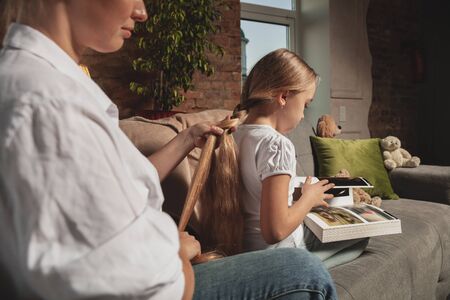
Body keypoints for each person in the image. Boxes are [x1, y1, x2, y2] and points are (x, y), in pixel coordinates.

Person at [0, 1, 338, 299]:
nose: (142, 11)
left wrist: (187, 138)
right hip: (173, 276)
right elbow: (138, 282)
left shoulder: (55, 86)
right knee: (303, 270)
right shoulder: (47, 103)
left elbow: (125, 183)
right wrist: (176, 251)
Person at [232, 49, 369, 268]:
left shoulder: (236, 134)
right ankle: (302, 270)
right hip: (279, 253)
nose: (304, 115)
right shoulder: (277, 145)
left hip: (246, 248)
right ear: (284, 96)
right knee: (361, 236)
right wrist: (309, 198)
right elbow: (275, 230)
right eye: (306, 104)